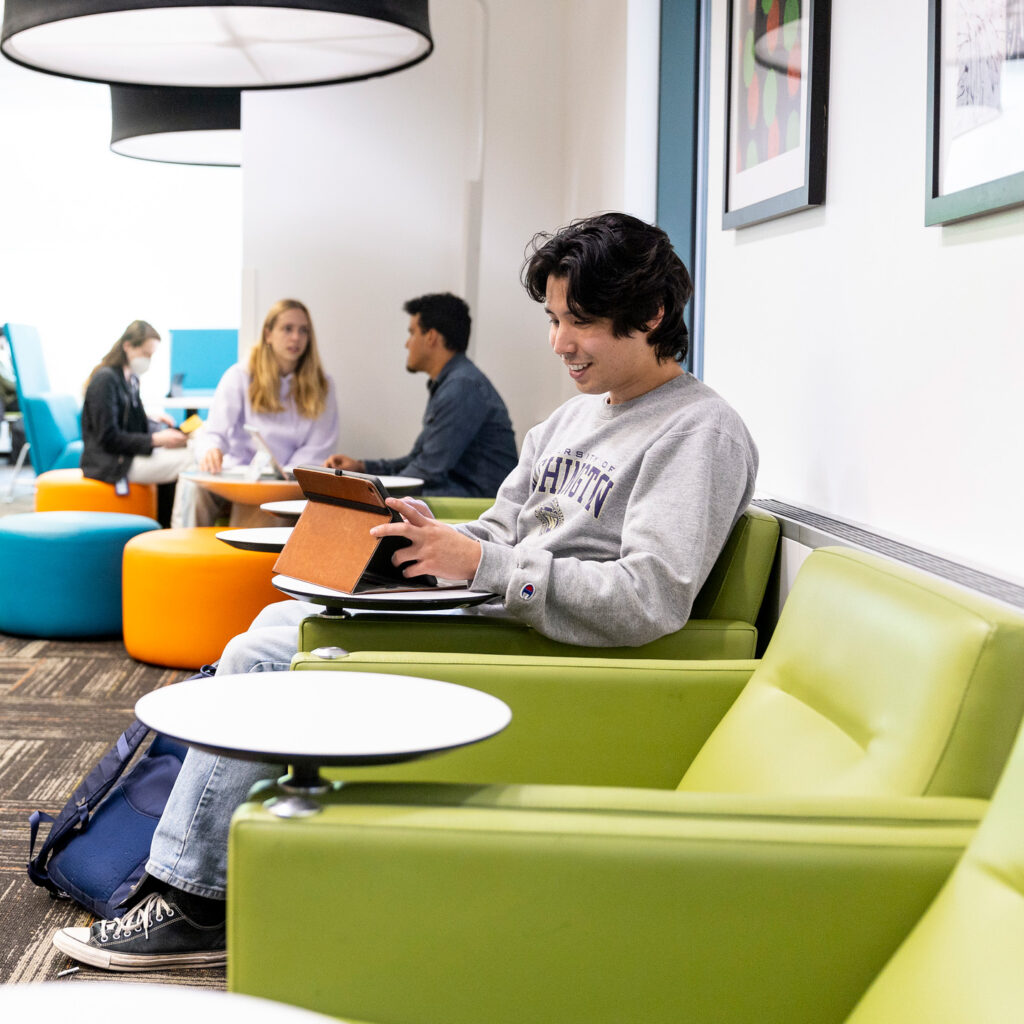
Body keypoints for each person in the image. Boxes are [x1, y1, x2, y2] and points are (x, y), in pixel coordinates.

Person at [52, 212, 759, 972]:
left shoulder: (698, 432)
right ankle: (206, 870)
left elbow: (648, 600)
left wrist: (481, 565)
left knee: (265, 655)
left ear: (650, 315)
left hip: (545, 649)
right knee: (282, 616)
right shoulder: (569, 420)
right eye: (554, 319)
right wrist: (436, 538)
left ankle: (194, 902)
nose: (559, 343)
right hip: (498, 613)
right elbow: (503, 528)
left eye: (579, 322)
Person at [325, 292, 517, 497]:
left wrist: (371, 493)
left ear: (431, 337)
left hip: (478, 504)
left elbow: (427, 470)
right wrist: (362, 468)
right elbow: (418, 460)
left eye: (412, 333)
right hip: (464, 496)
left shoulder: (461, 387)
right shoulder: (454, 383)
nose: (407, 343)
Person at [173, 299, 339, 526]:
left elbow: (318, 448)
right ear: (268, 334)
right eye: (287, 329)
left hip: (285, 480)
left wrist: (284, 475)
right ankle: (186, 545)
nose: (296, 338)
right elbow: (215, 432)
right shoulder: (240, 376)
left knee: (263, 504)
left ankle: (239, 548)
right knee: (193, 485)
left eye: (303, 331)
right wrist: (211, 450)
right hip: (237, 474)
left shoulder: (323, 385)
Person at [81, 321, 191, 526]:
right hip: (111, 464)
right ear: (128, 346)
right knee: (191, 461)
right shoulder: (105, 380)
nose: (148, 360)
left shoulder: (130, 379)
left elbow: (128, 424)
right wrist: (156, 439)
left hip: (126, 457)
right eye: (145, 353)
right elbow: (108, 436)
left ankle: (166, 522)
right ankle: (179, 527)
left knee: (185, 451)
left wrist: (153, 422)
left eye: (151, 355)